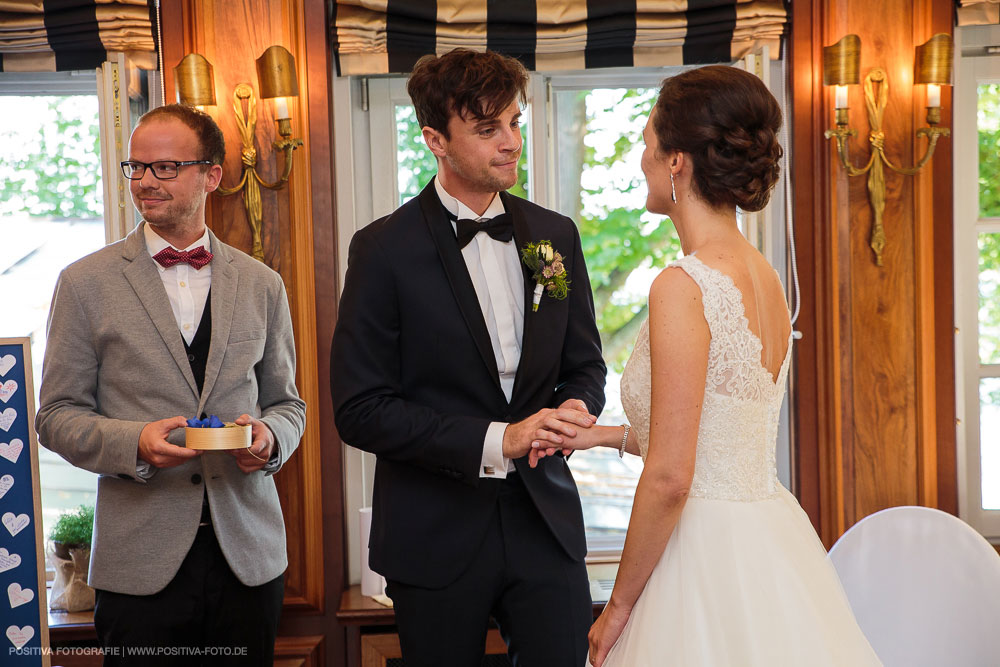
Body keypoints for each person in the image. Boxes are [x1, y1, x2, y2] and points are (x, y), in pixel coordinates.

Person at [532, 66, 882, 666]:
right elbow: (720, 429)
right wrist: (601, 437)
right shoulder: (764, 276)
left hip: (701, 553)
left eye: (646, 144)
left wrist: (615, 611)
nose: (640, 160)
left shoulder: (683, 285)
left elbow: (672, 475)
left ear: (677, 162)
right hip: (768, 539)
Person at [331, 48, 607, 666]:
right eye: (488, 129)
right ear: (435, 139)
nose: (511, 142)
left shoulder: (553, 235)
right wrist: (497, 440)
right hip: (433, 534)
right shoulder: (381, 250)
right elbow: (360, 409)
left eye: (514, 121)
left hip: (546, 523)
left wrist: (575, 406)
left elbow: (585, 363)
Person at [35, 104, 306, 666]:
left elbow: (287, 403)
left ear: (211, 175)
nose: (144, 182)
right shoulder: (84, 284)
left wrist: (270, 439)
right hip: (139, 565)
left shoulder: (263, 283)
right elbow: (55, 415)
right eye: (136, 168)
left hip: (248, 560)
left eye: (165, 168)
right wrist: (135, 441)